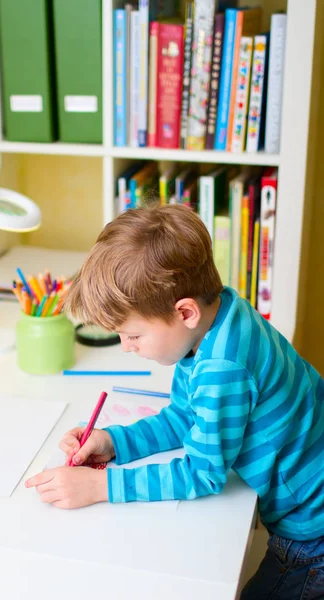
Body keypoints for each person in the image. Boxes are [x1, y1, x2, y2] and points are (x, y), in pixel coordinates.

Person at [25, 205, 324, 599]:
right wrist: (115, 442)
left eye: (133, 335)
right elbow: (185, 416)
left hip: (310, 535)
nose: (126, 348)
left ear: (185, 311)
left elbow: (203, 473)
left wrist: (101, 486)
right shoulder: (217, 320)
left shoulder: (222, 365)